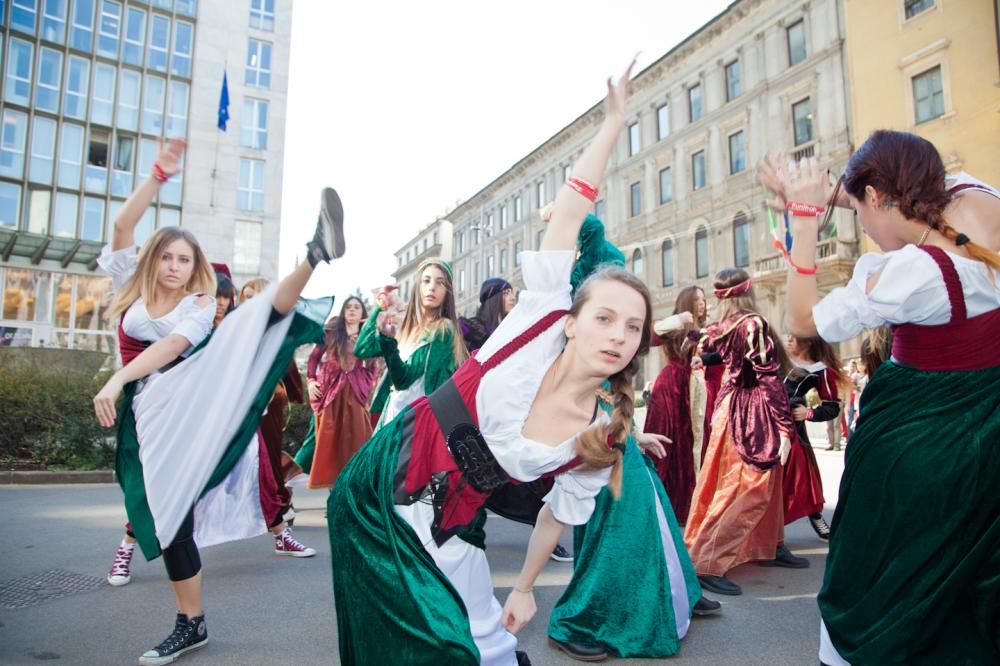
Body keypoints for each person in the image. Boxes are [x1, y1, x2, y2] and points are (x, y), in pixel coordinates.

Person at [327, 63, 649, 665]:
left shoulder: (599, 432)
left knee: (483, 646)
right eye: (605, 317)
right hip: (386, 484)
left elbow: (556, 516)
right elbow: (571, 211)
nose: (618, 335)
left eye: (633, 327)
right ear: (572, 320)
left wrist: (524, 589)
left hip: (456, 524)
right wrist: (612, 125)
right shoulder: (541, 317)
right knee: (428, 647)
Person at [92, 137, 344, 665]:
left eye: (185, 259)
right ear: (153, 259)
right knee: (169, 518)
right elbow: (121, 226)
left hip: (189, 396)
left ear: (195, 267)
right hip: (150, 418)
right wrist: (158, 175)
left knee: (256, 317)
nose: (174, 266)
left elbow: (170, 347)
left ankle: (314, 254)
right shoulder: (130, 287)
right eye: (167, 256)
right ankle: (192, 622)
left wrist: (116, 380)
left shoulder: (200, 304)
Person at [762, 131, 1000, 665]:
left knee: (875, 564)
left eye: (859, 208)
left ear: (874, 196)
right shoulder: (972, 195)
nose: (862, 225)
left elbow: (802, 322)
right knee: (965, 563)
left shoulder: (914, 274)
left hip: (919, 433)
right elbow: (896, 199)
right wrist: (834, 193)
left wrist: (805, 220)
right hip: (986, 420)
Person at [546, 215, 720, 663]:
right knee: (617, 524)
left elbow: (616, 390)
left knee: (651, 509)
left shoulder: (617, 337)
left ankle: (678, 590)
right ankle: (579, 620)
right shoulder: (573, 319)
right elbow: (591, 236)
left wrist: (636, 436)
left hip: (616, 434)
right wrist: (573, 210)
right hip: (587, 438)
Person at [683, 267, 805, 597]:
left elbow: (708, 350)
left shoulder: (720, 326)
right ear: (748, 291)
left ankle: (770, 545)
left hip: (729, 406)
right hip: (750, 409)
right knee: (751, 485)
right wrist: (784, 427)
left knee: (759, 481)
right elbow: (768, 378)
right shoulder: (753, 324)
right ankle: (707, 562)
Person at [239, 278, 315, 556]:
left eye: (256, 296)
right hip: (229, 410)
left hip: (265, 405)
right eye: (246, 296)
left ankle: (280, 522)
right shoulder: (233, 328)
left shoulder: (275, 331)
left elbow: (287, 365)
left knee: (264, 461)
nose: (250, 302)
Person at [354, 260, 466, 430]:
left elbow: (403, 379)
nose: (432, 287)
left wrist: (387, 341)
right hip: (392, 420)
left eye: (440, 283)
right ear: (417, 287)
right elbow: (362, 348)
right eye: (426, 281)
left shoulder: (443, 330)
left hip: (417, 427)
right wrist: (379, 307)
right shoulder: (405, 330)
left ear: (447, 292)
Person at [643, 286, 705, 524]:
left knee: (688, 448)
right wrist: (678, 320)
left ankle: (684, 507)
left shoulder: (704, 328)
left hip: (691, 391)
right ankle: (653, 504)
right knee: (664, 445)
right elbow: (651, 336)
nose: (702, 304)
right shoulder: (675, 324)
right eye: (697, 300)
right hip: (670, 389)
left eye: (703, 299)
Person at [303, 296, 379, 488]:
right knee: (330, 445)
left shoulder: (367, 336)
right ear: (343, 311)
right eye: (348, 307)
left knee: (357, 441)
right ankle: (333, 491)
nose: (352, 310)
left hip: (355, 394)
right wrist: (311, 381)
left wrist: (366, 384)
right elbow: (313, 359)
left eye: (357, 307)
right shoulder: (331, 333)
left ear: (362, 313)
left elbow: (373, 366)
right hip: (330, 394)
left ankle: (353, 488)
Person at [782, 335, 846, 541]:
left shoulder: (820, 370)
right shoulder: (777, 357)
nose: (788, 339)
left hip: (792, 430)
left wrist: (808, 413)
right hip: (764, 423)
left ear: (808, 342)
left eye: (794, 337)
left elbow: (832, 406)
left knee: (803, 477)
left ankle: (815, 514)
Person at [460, 278, 517, 352]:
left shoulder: (511, 327)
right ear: (494, 298)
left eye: (512, 293)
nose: (513, 298)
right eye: (506, 293)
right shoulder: (473, 329)